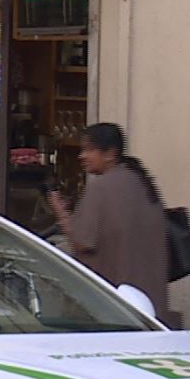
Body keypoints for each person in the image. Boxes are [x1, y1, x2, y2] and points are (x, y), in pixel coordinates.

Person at [46, 122, 169, 313]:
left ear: (110, 153)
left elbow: (83, 241)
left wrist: (61, 212)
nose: (82, 156)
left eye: (89, 150)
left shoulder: (101, 187)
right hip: (149, 302)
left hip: (115, 303)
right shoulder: (142, 183)